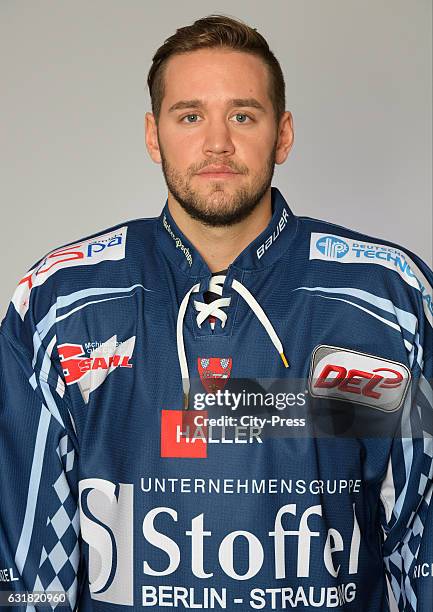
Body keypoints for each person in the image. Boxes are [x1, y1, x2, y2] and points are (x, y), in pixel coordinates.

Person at [0, 13, 432, 612]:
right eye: (191, 116)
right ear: (154, 135)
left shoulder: (384, 300)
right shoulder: (62, 304)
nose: (217, 143)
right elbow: (27, 577)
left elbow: (422, 542)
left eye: (243, 115)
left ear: (282, 134)